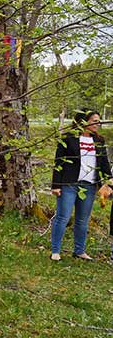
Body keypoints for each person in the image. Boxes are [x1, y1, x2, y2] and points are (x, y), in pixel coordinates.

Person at [50, 110, 112, 261]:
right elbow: (59, 163)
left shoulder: (99, 141)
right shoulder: (68, 139)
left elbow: (104, 163)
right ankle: (55, 251)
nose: (97, 124)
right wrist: (56, 185)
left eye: (99, 121)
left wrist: (110, 181)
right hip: (68, 184)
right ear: (83, 121)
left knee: (82, 220)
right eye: (94, 120)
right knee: (63, 217)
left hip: (89, 186)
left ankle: (79, 251)